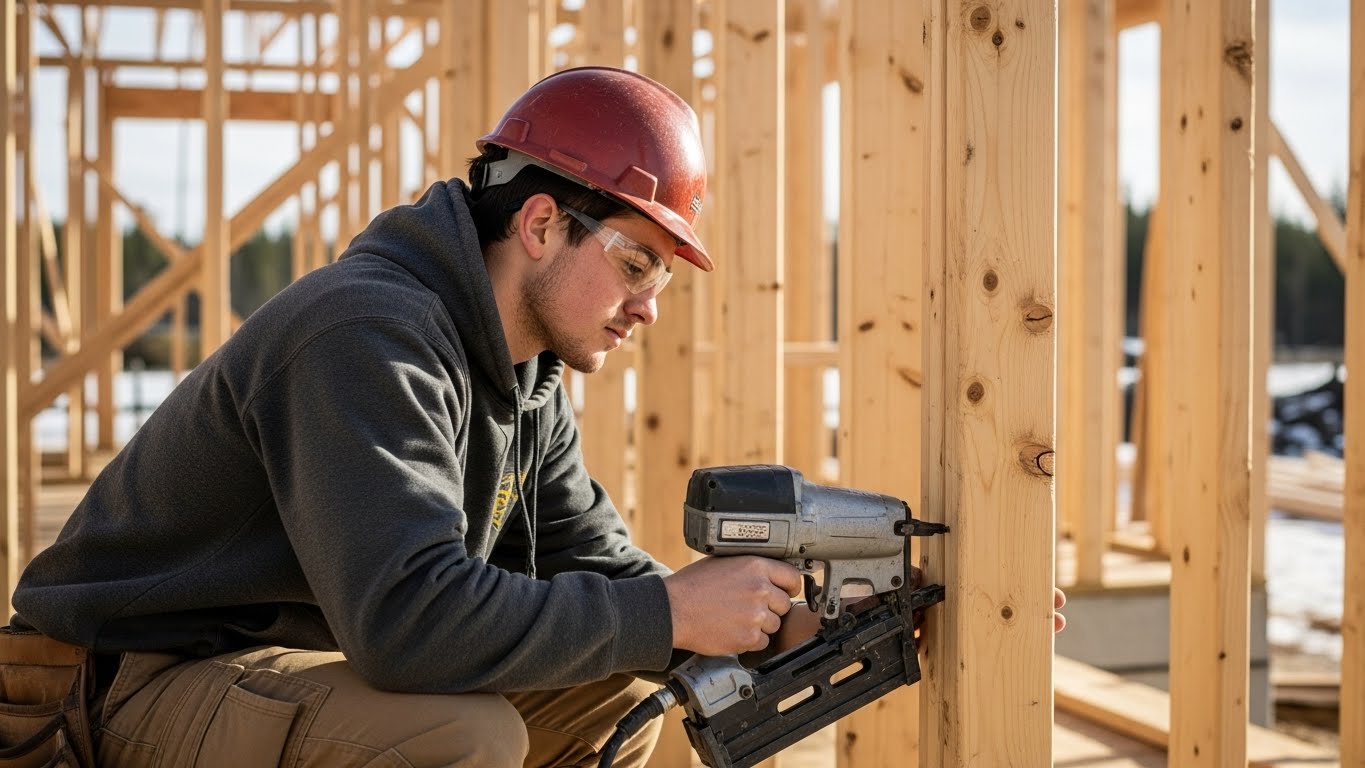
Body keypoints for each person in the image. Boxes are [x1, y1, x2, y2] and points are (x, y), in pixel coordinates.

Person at [8, 66, 1064, 768]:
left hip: (268, 673)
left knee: (610, 695)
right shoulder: (364, 334)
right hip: (116, 693)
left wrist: (831, 618)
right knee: (458, 734)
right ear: (544, 222)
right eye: (637, 263)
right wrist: (672, 613)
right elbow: (409, 624)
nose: (649, 305)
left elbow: (608, 586)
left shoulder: (523, 378)